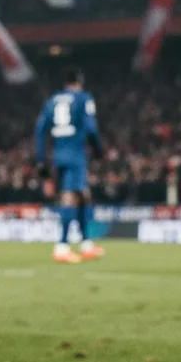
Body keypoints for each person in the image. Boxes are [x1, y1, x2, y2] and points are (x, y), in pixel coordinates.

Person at [34, 67, 104, 263]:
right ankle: (62, 246)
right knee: (70, 195)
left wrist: (41, 159)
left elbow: (40, 130)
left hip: (59, 153)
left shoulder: (52, 100)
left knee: (83, 195)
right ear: (79, 82)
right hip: (76, 153)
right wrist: (98, 149)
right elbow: (91, 127)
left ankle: (86, 243)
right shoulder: (83, 98)